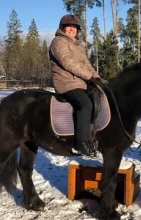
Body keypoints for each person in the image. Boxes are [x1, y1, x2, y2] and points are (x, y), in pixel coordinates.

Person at [49, 14, 100, 156]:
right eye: (69, 26)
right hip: (66, 83)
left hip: (80, 82)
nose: (72, 29)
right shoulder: (58, 42)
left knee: (99, 99)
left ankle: (93, 136)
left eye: (75, 27)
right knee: (85, 105)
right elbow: (68, 63)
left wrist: (96, 77)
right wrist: (88, 76)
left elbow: (86, 64)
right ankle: (81, 144)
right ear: (63, 28)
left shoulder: (78, 46)